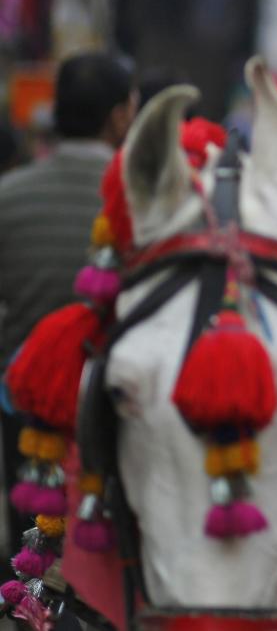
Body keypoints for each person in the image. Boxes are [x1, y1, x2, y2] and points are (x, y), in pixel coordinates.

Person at [0, 50, 136, 552]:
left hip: (27, 411)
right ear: (120, 116)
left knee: (31, 555)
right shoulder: (140, 202)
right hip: (117, 409)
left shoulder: (8, 197)